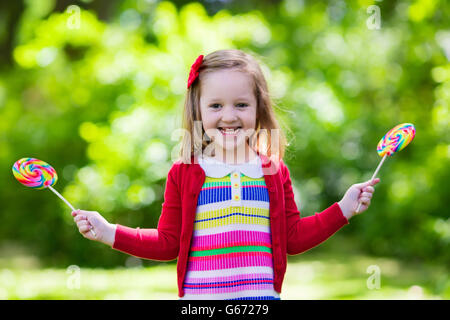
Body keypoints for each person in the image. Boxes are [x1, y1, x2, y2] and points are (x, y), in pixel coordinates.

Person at [72, 49, 380, 300]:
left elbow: (293, 238)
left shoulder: (272, 171)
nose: (229, 116)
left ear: (259, 109)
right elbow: (168, 243)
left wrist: (344, 208)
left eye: (241, 104)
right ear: (199, 109)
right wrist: (108, 231)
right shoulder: (185, 172)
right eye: (216, 105)